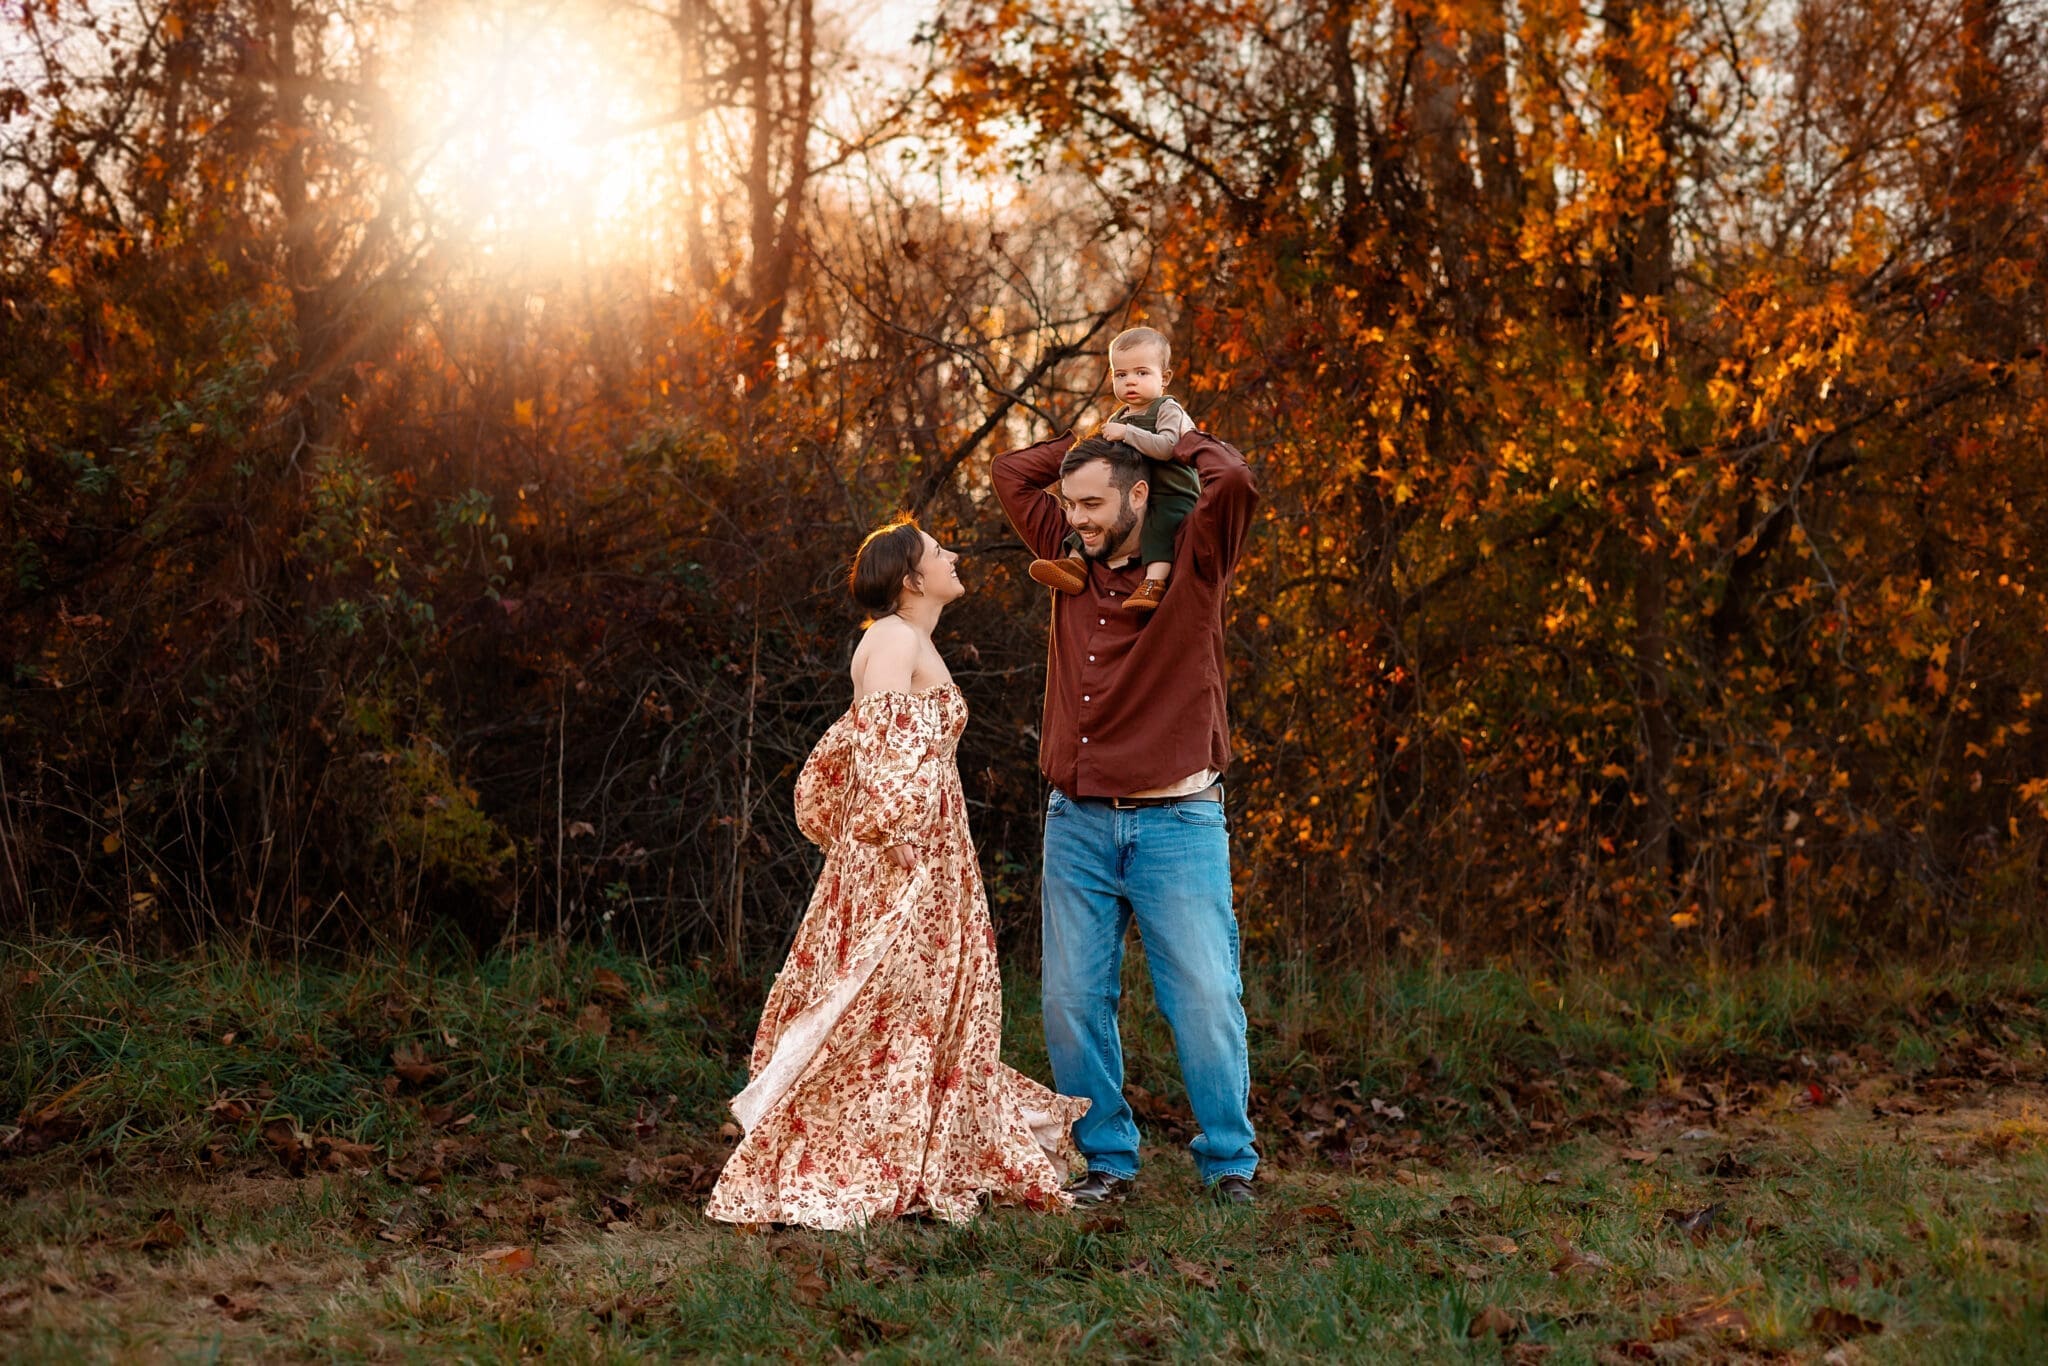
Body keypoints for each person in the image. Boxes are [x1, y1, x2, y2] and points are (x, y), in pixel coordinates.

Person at [704, 517, 1088, 1230]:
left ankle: (907, 1146)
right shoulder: (891, 638)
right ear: (911, 578)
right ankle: (839, 1144)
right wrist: (898, 855)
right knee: (884, 1000)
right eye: (939, 552)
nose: (953, 555)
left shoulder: (917, 640)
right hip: (902, 858)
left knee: (927, 1006)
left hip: (933, 853)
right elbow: (878, 742)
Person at [992, 423, 1262, 1206]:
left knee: (1205, 999)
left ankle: (1228, 1165)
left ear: (1140, 495)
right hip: (1075, 819)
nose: (1074, 516)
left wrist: (1161, 436)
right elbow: (1014, 472)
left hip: (1176, 822)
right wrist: (1091, 431)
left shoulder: (1195, 559)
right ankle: (1106, 1162)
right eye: (1069, 503)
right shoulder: (1067, 553)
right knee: (1072, 1001)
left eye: (1093, 503)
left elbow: (1235, 481)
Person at [1027, 327, 1197, 614]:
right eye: (1121, 375)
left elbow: (1168, 447)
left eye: (1142, 373)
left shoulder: (1168, 410)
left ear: (1164, 378)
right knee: (1091, 511)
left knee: (1161, 526)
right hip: (1136, 490)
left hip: (1171, 490)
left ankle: (1154, 582)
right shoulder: (1120, 416)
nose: (1131, 381)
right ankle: (1075, 564)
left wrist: (1127, 434)